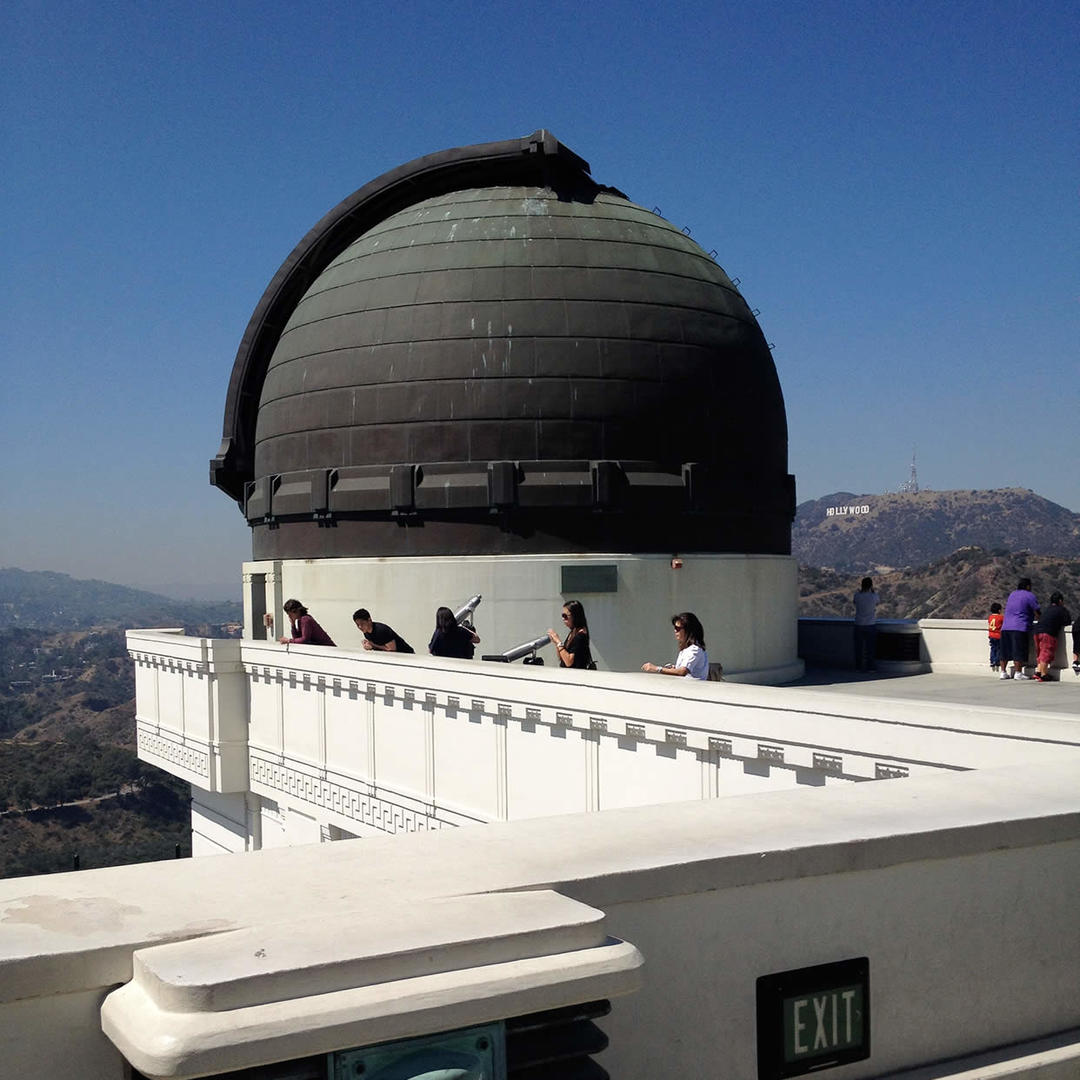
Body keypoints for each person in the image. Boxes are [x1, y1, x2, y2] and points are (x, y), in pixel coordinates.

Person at [641, 612, 708, 680]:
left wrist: (656, 668)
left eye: (678, 628)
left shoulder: (694, 649)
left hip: (692, 689)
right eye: (675, 628)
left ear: (688, 630)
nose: (675, 631)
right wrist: (674, 668)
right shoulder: (686, 649)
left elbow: (682, 672)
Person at [1000, 577, 1039, 680]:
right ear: (1028, 586)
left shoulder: (1012, 594)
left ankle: (1003, 672)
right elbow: (1037, 611)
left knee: (1005, 651)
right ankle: (1018, 672)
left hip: (1005, 627)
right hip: (1019, 626)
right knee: (1018, 650)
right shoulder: (1029, 595)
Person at [1033, 592, 1071, 682]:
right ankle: (1043, 674)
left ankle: (1038, 671)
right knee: (1046, 652)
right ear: (1060, 601)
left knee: (1040, 652)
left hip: (1037, 631)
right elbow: (1067, 622)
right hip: (1048, 632)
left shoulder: (1047, 609)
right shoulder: (1061, 610)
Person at [546, 599, 594, 670]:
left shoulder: (581, 635)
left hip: (575, 676)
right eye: (562, 616)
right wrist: (556, 643)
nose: (563, 619)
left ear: (575, 616)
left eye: (565, 616)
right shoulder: (573, 632)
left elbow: (569, 662)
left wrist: (558, 641)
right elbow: (561, 657)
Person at [853, 577, 878, 673]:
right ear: (871, 585)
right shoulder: (874, 596)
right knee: (870, 647)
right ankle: (870, 667)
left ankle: (858, 666)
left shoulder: (857, 596)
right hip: (870, 624)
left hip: (858, 623)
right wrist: (872, 591)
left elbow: (854, 602)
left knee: (858, 647)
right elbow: (877, 602)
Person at [987, 602, 1004, 673]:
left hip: (991, 635)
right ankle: (997, 662)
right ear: (999, 610)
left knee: (993, 648)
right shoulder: (1001, 617)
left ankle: (992, 661)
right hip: (998, 635)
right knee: (999, 649)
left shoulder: (990, 617)